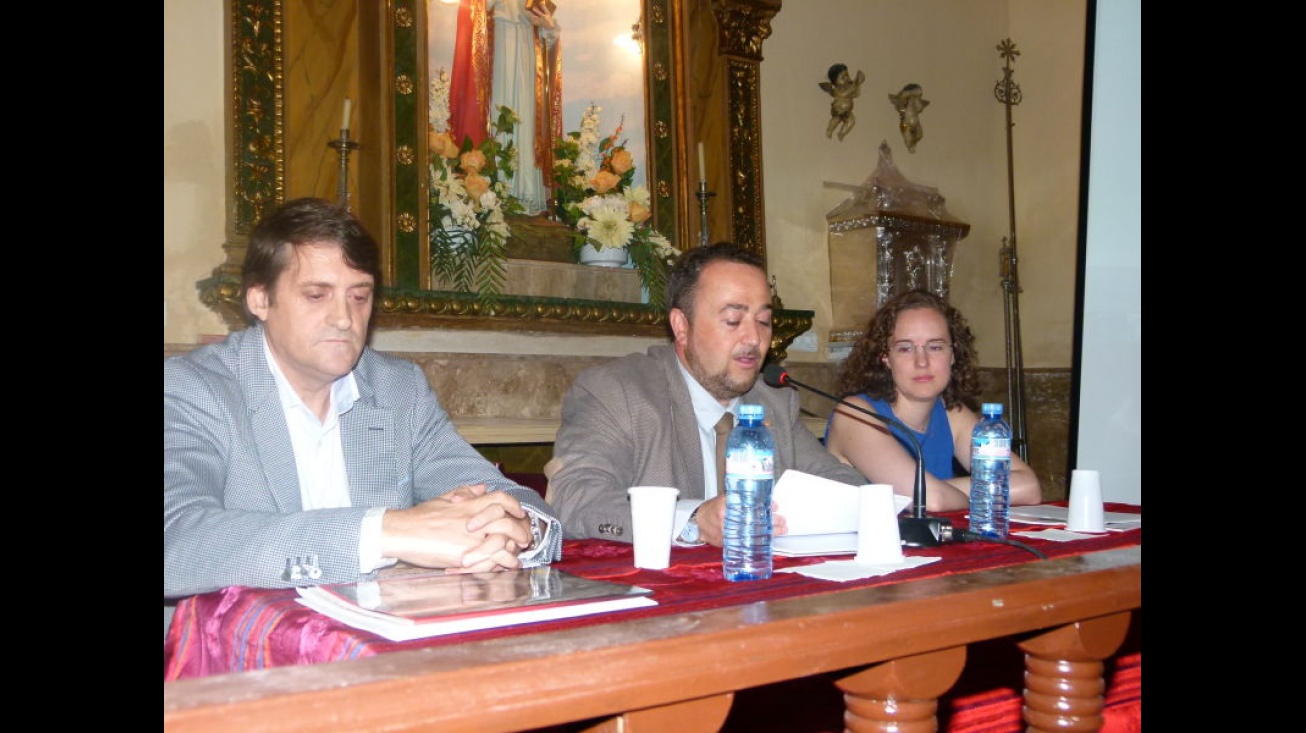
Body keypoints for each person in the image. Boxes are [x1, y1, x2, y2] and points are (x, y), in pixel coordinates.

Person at [164, 197, 562, 630]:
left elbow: (506, 495)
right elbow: (177, 540)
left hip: (377, 651)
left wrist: (513, 531)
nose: (343, 318)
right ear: (259, 299)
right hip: (232, 663)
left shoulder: (397, 389)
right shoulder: (191, 388)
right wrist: (384, 532)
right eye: (317, 295)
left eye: (359, 296)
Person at [546, 242, 867, 547]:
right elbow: (576, 499)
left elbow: (844, 485)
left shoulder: (775, 401)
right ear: (681, 326)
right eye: (733, 320)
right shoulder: (618, 392)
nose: (754, 337)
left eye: (764, 321)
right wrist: (693, 520)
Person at [824, 289, 1041, 512]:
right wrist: (984, 493)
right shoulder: (855, 415)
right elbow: (931, 500)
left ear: (954, 354)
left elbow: (1028, 487)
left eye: (935, 346)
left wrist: (935, 490)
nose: (922, 362)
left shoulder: (952, 414)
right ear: (886, 358)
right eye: (906, 348)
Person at [450, 0, 562, 215]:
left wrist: (548, 27)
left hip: (529, 62)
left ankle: (525, 194)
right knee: (500, 116)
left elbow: (549, 46)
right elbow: (474, 18)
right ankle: (497, 191)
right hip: (499, 53)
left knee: (527, 122)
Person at [818, 63, 865, 141]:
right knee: (835, 120)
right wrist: (857, 82)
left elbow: (857, 94)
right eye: (842, 77)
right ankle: (829, 130)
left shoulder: (849, 87)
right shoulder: (837, 90)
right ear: (835, 82)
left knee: (851, 122)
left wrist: (858, 85)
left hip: (847, 111)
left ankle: (842, 133)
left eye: (847, 75)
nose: (846, 78)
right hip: (838, 110)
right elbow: (845, 94)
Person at [888, 83, 930, 153]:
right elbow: (901, 108)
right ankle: (910, 146)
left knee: (919, 135)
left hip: (916, 123)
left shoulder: (916, 102)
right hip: (905, 124)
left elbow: (920, 108)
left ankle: (912, 144)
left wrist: (916, 99)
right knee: (907, 135)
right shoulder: (904, 101)